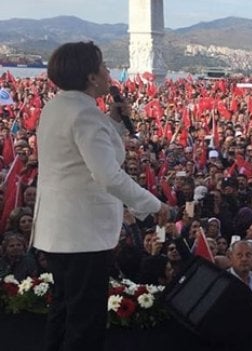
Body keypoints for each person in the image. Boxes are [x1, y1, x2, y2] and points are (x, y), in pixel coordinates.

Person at [31, 42, 170, 351]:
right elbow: (107, 174)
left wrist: (116, 121)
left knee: (64, 310)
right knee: (85, 322)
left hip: (60, 230)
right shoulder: (85, 115)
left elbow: (86, 149)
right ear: (92, 77)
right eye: (104, 66)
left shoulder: (58, 106)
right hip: (83, 234)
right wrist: (153, 204)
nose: (109, 72)